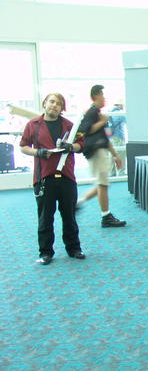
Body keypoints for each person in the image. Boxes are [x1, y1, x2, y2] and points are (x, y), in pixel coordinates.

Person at [19, 93, 85, 265]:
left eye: (59, 103)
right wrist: (37, 152)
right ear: (45, 104)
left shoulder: (69, 126)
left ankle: (74, 248)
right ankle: (45, 252)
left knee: (69, 216)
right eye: (52, 102)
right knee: (45, 217)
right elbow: (23, 146)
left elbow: (81, 145)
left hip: (66, 177)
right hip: (44, 178)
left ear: (62, 108)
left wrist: (71, 147)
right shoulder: (33, 125)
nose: (55, 105)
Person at [76, 85, 126, 227]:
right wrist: (102, 122)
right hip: (95, 152)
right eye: (102, 95)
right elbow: (85, 130)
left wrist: (115, 155)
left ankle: (79, 203)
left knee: (102, 184)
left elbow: (104, 137)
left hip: (100, 151)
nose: (104, 98)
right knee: (103, 184)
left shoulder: (98, 113)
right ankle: (106, 216)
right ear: (95, 97)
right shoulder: (92, 112)